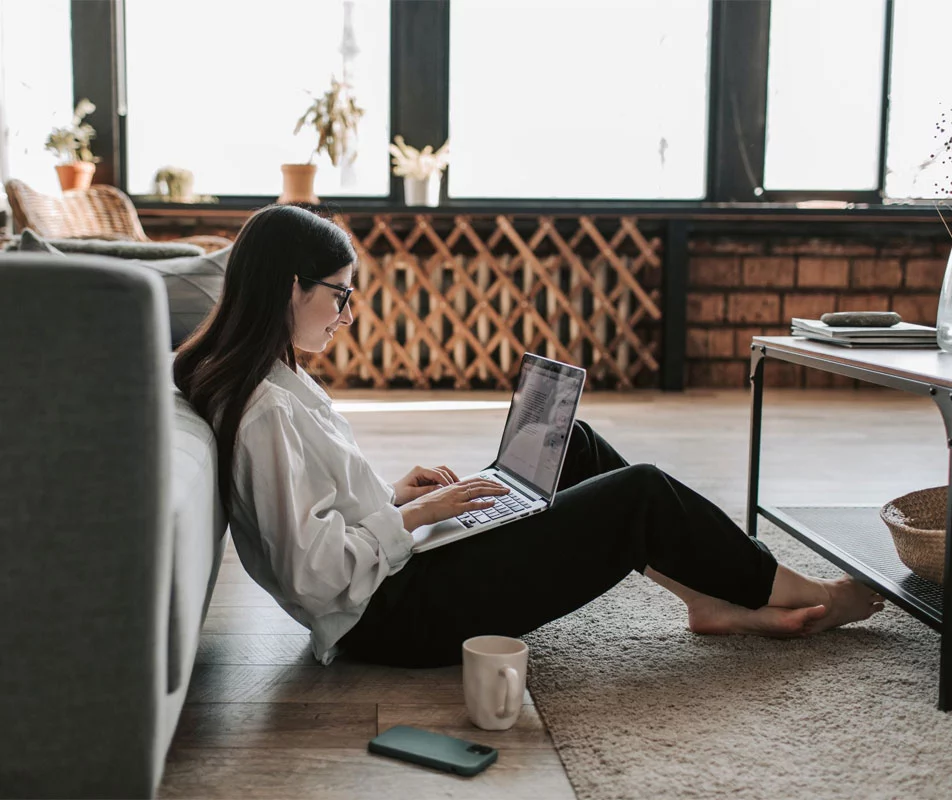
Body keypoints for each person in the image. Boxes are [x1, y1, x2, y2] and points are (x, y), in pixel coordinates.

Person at [173, 205, 885, 669]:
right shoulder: (266, 408)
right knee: (640, 494)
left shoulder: (274, 381)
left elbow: (314, 517)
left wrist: (395, 494)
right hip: (389, 619)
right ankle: (797, 591)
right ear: (290, 288)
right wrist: (415, 518)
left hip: (394, 577)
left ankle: (705, 598)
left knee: (569, 441)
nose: (348, 314)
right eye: (341, 295)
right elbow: (314, 574)